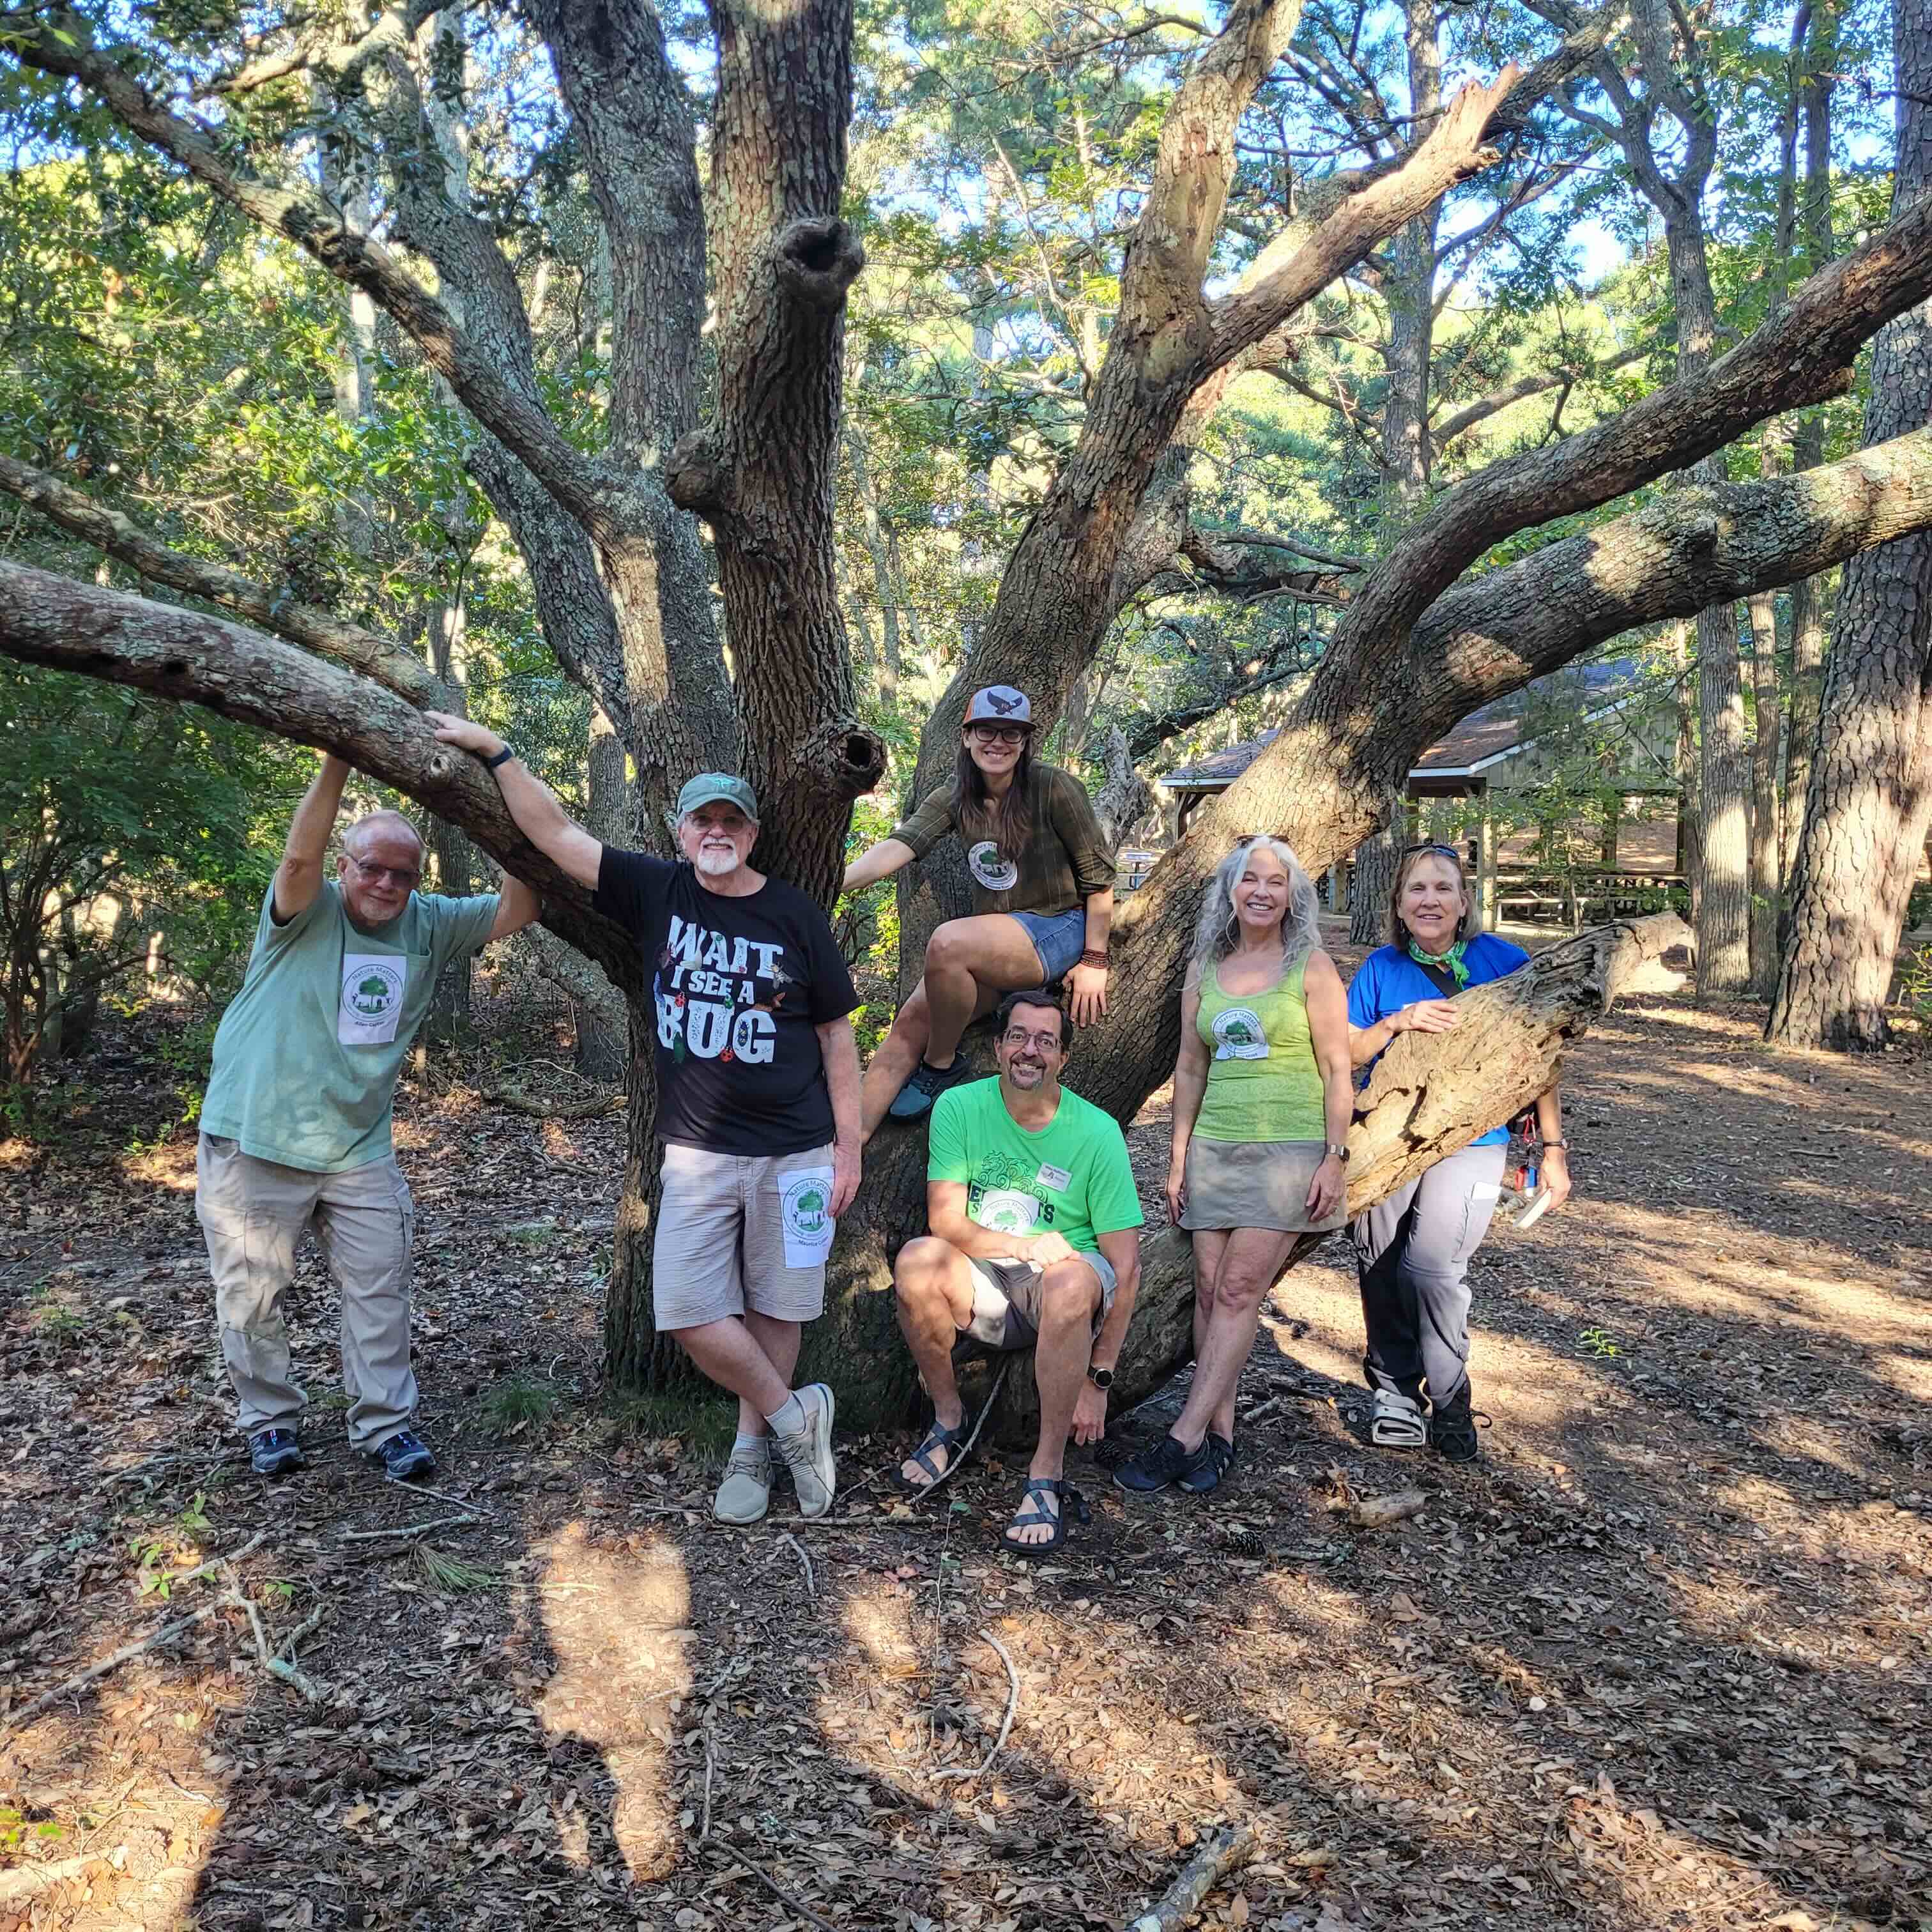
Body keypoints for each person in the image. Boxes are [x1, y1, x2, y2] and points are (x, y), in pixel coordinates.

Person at [428, 712, 861, 1524]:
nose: (718, 832)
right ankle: (798, 1415)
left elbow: (837, 1034)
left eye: (733, 820)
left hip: (798, 1151)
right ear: (680, 831)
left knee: (777, 1305)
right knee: (692, 1311)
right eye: (704, 820)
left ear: (755, 833)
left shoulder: (796, 915)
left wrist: (849, 1147)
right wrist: (496, 751)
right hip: (697, 1154)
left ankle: (752, 1451)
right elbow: (554, 833)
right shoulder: (654, 887)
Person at [195, 755, 540, 1480]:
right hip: (258, 1135)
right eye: (371, 868)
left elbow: (522, 907)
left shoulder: (431, 923)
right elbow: (298, 854)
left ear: (418, 879)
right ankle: (270, 1421)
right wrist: (337, 758)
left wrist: (503, 807)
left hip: (358, 1147)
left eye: (402, 874)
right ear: (346, 864)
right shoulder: (304, 910)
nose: (386, 884)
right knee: (251, 1296)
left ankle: (384, 1426)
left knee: (381, 1288)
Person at [1116, 837, 1353, 1496]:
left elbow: (1339, 1068)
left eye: (1276, 882)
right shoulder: (1206, 968)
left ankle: (1182, 1437)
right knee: (1213, 1285)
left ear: (1292, 896)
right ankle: (1220, 1438)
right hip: (1217, 1143)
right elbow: (1191, 1067)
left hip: (1290, 1147)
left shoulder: (1311, 966)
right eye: (1251, 879)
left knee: (1243, 1288)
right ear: (1230, 890)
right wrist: (1178, 1158)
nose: (1262, 891)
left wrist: (1334, 1157)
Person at [888, 988, 1143, 1556]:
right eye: (1020, 1037)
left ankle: (1045, 1474)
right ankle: (949, 1422)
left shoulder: (1096, 1131)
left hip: (1062, 1282)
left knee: (1073, 1279)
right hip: (986, 1275)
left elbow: (1125, 1264)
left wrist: (1100, 1379)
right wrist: (1023, 1246)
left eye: (1046, 1041)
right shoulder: (959, 1107)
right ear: (999, 1047)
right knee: (916, 1260)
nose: (1031, 1050)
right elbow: (945, 1220)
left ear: (1063, 1059)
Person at [1346, 840, 1573, 1462]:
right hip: (1387, 1141)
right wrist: (1397, 1023)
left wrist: (1552, 1149)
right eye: (1416, 888)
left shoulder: (1507, 962)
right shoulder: (1380, 971)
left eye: (1443, 887)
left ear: (1465, 900)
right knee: (1380, 1260)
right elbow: (1348, 1053)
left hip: (1476, 1141)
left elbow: (1541, 1063)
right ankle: (1394, 1393)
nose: (1430, 899)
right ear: (1398, 902)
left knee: (1431, 1267)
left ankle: (1448, 1395)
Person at [841, 686, 1117, 1137]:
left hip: (1059, 927)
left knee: (948, 943)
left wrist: (1095, 961)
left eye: (1012, 734)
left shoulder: (1054, 787)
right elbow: (902, 845)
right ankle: (847, 1152)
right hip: (998, 946)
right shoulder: (956, 795)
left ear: (1026, 743)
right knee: (912, 1020)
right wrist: (831, 883)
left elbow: (1100, 880)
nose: (998, 743)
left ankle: (940, 1063)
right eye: (987, 730)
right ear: (967, 737)